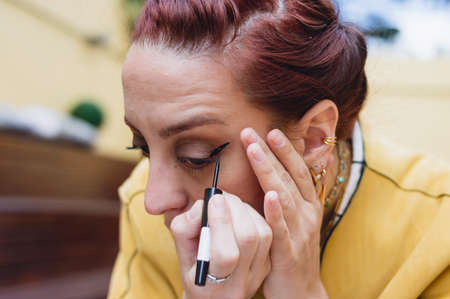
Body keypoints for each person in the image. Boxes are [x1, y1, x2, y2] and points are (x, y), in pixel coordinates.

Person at [107, 0, 450, 298]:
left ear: (315, 138)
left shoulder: (437, 231)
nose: (153, 200)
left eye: (196, 156)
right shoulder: (141, 205)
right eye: (144, 148)